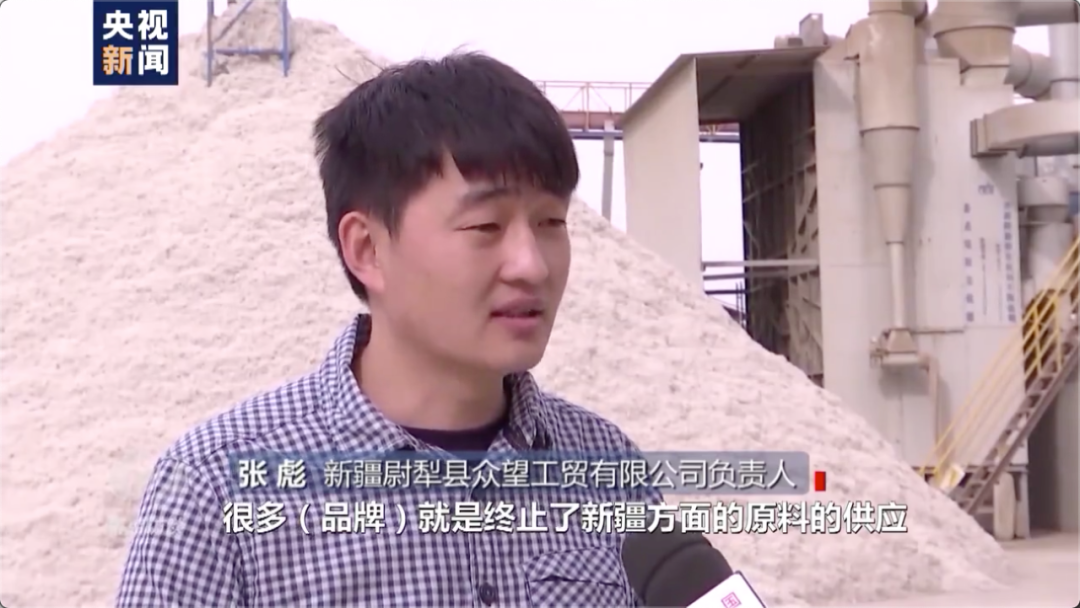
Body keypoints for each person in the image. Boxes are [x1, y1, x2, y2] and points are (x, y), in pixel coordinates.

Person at [116, 52, 663, 608]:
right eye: (485, 226)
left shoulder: (608, 467)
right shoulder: (214, 485)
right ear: (367, 249)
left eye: (551, 222)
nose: (532, 265)